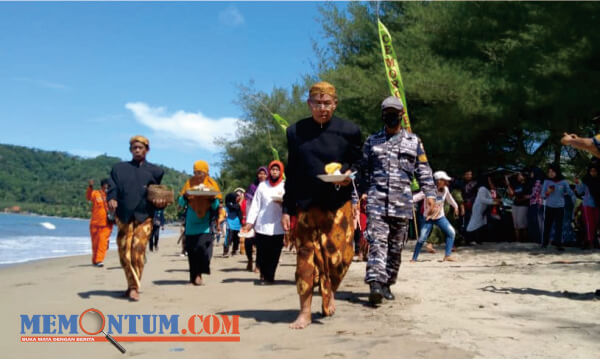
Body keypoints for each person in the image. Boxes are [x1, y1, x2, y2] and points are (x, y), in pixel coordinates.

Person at [282, 81, 362, 329]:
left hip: (338, 203)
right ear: (309, 104)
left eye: (327, 103)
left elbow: (360, 163)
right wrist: (287, 208)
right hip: (306, 204)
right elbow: (292, 172)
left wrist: (350, 174)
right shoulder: (295, 132)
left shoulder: (350, 131)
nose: (322, 108)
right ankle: (305, 311)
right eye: (317, 103)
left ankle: (329, 288)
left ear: (335, 104)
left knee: (342, 257)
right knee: (305, 259)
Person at [359, 96, 436, 306]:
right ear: (382, 115)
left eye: (395, 113)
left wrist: (430, 194)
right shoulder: (372, 141)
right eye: (388, 113)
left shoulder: (414, 142)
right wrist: (364, 191)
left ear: (402, 116)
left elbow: (423, 170)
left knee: (395, 248)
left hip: (402, 203)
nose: (391, 117)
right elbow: (362, 170)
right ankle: (375, 283)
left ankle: (387, 284)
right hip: (377, 200)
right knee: (377, 242)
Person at [107, 135, 165, 301]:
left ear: (147, 150)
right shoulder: (118, 169)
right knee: (124, 251)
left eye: (140, 147)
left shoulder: (156, 171)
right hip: (124, 215)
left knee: (138, 251)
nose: (137, 150)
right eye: (134, 148)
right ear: (130, 150)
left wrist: (161, 203)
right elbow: (112, 188)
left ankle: (134, 287)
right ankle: (131, 284)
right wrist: (112, 198)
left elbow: (157, 194)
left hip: (145, 215)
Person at [178, 160, 222, 285]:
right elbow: (181, 203)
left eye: (201, 172)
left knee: (203, 249)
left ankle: (200, 272)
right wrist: (185, 197)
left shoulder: (212, 184)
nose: (198, 175)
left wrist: (213, 199)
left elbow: (216, 205)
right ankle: (195, 276)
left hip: (205, 223)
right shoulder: (189, 183)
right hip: (191, 222)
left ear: (207, 172)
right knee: (192, 251)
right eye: (196, 172)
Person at [242, 160, 285, 283]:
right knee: (262, 252)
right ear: (269, 171)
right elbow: (255, 205)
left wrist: (283, 202)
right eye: (272, 169)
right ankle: (263, 274)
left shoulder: (284, 185)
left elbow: (289, 204)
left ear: (280, 171)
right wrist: (250, 222)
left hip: (278, 226)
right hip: (262, 224)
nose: (274, 171)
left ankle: (270, 276)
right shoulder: (262, 186)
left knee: (275, 253)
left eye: (277, 169)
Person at [411, 171, 459, 262]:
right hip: (428, 217)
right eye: (444, 180)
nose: (446, 182)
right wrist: (410, 200)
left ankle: (447, 255)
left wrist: (456, 206)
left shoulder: (445, 189)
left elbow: (449, 198)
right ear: (438, 181)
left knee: (451, 233)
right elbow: (418, 197)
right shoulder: (428, 190)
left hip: (440, 216)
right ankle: (414, 258)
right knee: (422, 238)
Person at [541, 164, 575, 250]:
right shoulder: (546, 181)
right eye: (549, 172)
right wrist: (548, 192)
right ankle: (544, 243)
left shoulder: (563, 181)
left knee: (559, 226)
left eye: (552, 171)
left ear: (557, 172)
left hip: (560, 207)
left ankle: (558, 244)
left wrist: (572, 189)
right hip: (549, 206)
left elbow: (570, 192)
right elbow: (542, 195)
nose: (551, 173)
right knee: (547, 225)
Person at [466, 175, 502, 245]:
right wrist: (494, 202)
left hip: (482, 210)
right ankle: (469, 239)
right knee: (474, 224)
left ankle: (477, 240)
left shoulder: (486, 189)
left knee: (480, 224)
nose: (491, 183)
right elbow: (483, 199)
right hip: (478, 209)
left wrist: (496, 200)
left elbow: (488, 198)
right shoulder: (482, 189)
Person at [85, 178, 114, 267]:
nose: (107, 188)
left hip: (107, 224)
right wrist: (90, 187)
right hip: (95, 223)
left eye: (108, 186)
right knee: (95, 243)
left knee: (102, 241)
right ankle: (95, 260)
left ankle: (99, 260)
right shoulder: (96, 194)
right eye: (106, 186)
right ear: (102, 186)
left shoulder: (112, 196)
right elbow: (88, 197)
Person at [244, 167, 268, 271]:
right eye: (260, 173)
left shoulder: (269, 187)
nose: (261, 175)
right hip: (252, 217)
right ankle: (249, 259)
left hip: (264, 218)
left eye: (264, 174)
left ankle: (258, 265)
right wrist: (249, 219)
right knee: (248, 240)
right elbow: (248, 203)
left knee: (260, 242)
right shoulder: (253, 187)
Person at [575, 163, 600, 249]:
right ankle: (590, 242)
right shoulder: (586, 181)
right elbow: (579, 192)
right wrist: (577, 183)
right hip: (587, 204)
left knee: (596, 223)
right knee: (589, 224)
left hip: (597, 205)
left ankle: (593, 240)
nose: (593, 173)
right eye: (591, 171)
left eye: (595, 171)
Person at [505, 172, 531, 242]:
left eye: (520, 175)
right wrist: (506, 178)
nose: (518, 176)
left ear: (524, 177)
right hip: (515, 205)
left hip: (523, 205)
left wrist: (519, 198)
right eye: (518, 175)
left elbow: (527, 196)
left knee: (522, 224)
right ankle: (517, 241)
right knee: (515, 224)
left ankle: (525, 240)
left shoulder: (527, 184)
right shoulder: (516, 184)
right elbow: (511, 193)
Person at [528, 167, 546, 244]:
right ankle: (538, 239)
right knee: (538, 222)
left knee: (537, 222)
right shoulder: (539, 181)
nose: (530, 174)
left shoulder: (537, 181)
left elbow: (534, 193)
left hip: (536, 203)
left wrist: (527, 196)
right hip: (537, 203)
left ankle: (538, 240)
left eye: (532, 172)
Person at [223, 192, 242, 257]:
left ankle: (234, 250)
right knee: (228, 238)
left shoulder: (237, 205)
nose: (238, 198)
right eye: (236, 197)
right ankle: (226, 251)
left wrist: (241, 222)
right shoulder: (228, 205)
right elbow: (232, 208)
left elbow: (240, 214)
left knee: (236, 238)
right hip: (230, 223)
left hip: (237, 224)